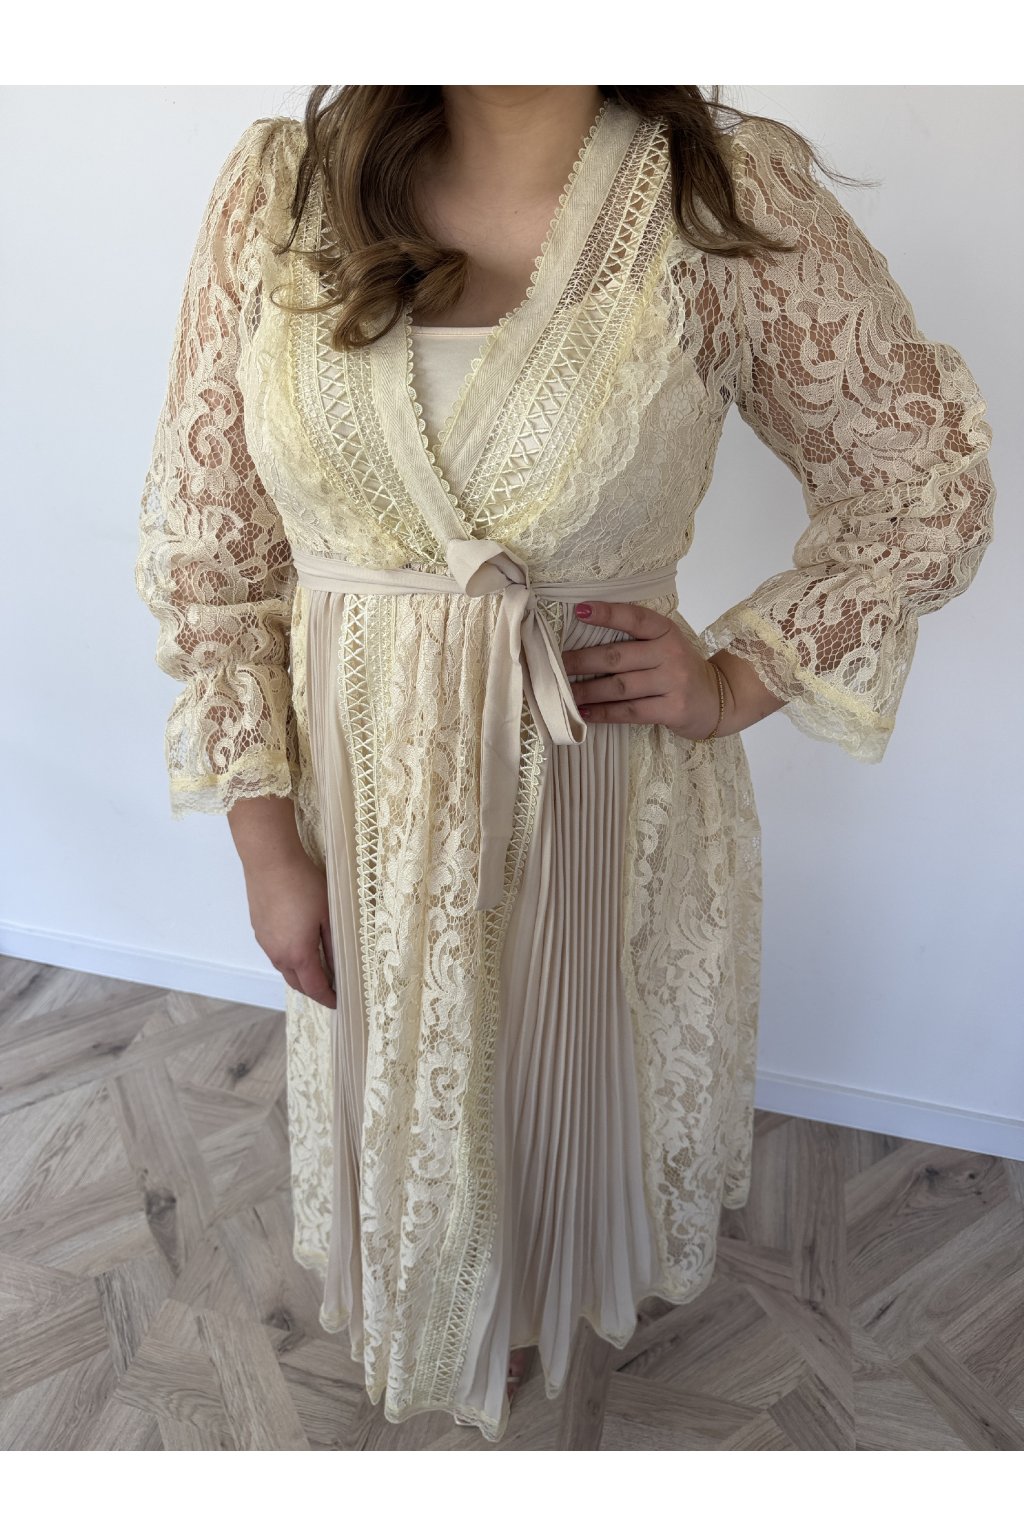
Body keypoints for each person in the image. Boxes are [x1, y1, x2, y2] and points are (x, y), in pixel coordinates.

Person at [134, 85, 996, 1443]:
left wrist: (738, 678)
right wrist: (263, 836)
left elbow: (923, 484)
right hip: (364, 797)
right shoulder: (281, 193)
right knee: (408, 1105)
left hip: (597, 772)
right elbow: (211, 554)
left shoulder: (719, 198)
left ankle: (525, 1339)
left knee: (552, 1111)